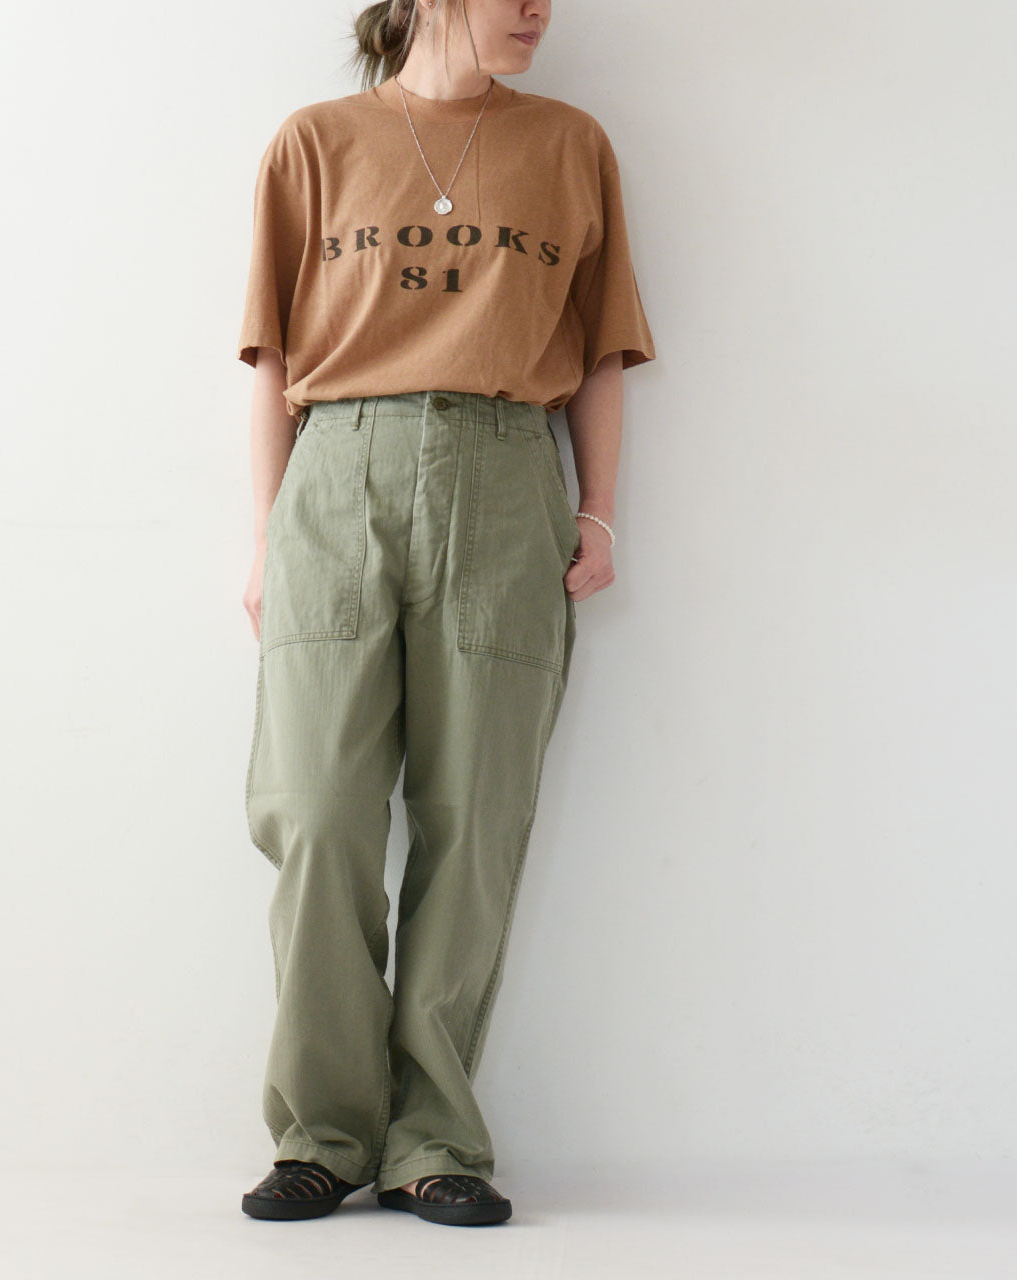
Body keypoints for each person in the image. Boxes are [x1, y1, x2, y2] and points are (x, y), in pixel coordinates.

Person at [236, 0, 655, 1228]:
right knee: (315, 809)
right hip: (338, 470)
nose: (537, 10)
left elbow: (598, 353)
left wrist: (599, 515)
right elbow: (271, 356)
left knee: (474, 816)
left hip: (504, 472)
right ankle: (322, 1132)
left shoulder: (569, 144)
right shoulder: (314, 141)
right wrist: (265, 538)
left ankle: (430, 1138)